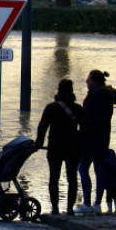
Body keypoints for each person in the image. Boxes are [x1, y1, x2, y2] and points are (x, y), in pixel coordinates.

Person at [35, 79, 84, 215]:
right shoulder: (78, 108)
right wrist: (78, 140)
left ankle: (55, 208)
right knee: (72, 178)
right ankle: (69, 209)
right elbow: (85, 128)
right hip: (73, 147)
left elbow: (42, 127)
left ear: (59, 90)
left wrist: (38, 144)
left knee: (53, 178)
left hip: (55, 147)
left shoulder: (51, 107)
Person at [76, 70, 116, 214]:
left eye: (88, 79)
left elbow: (96, 118)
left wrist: (84, 127)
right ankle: (97, 203)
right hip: (102, 138)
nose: (86, 82)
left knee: (83, 168)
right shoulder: (106, 95)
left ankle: (88, 203)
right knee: (99, 169)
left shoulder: (97, 95)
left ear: (94, 81)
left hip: (91, 138)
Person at [98, 149, 116, 213]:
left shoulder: (105, 163)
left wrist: (103, 184)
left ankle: (109, 210)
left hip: (109, 184)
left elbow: (103, 174)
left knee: (109, 197)